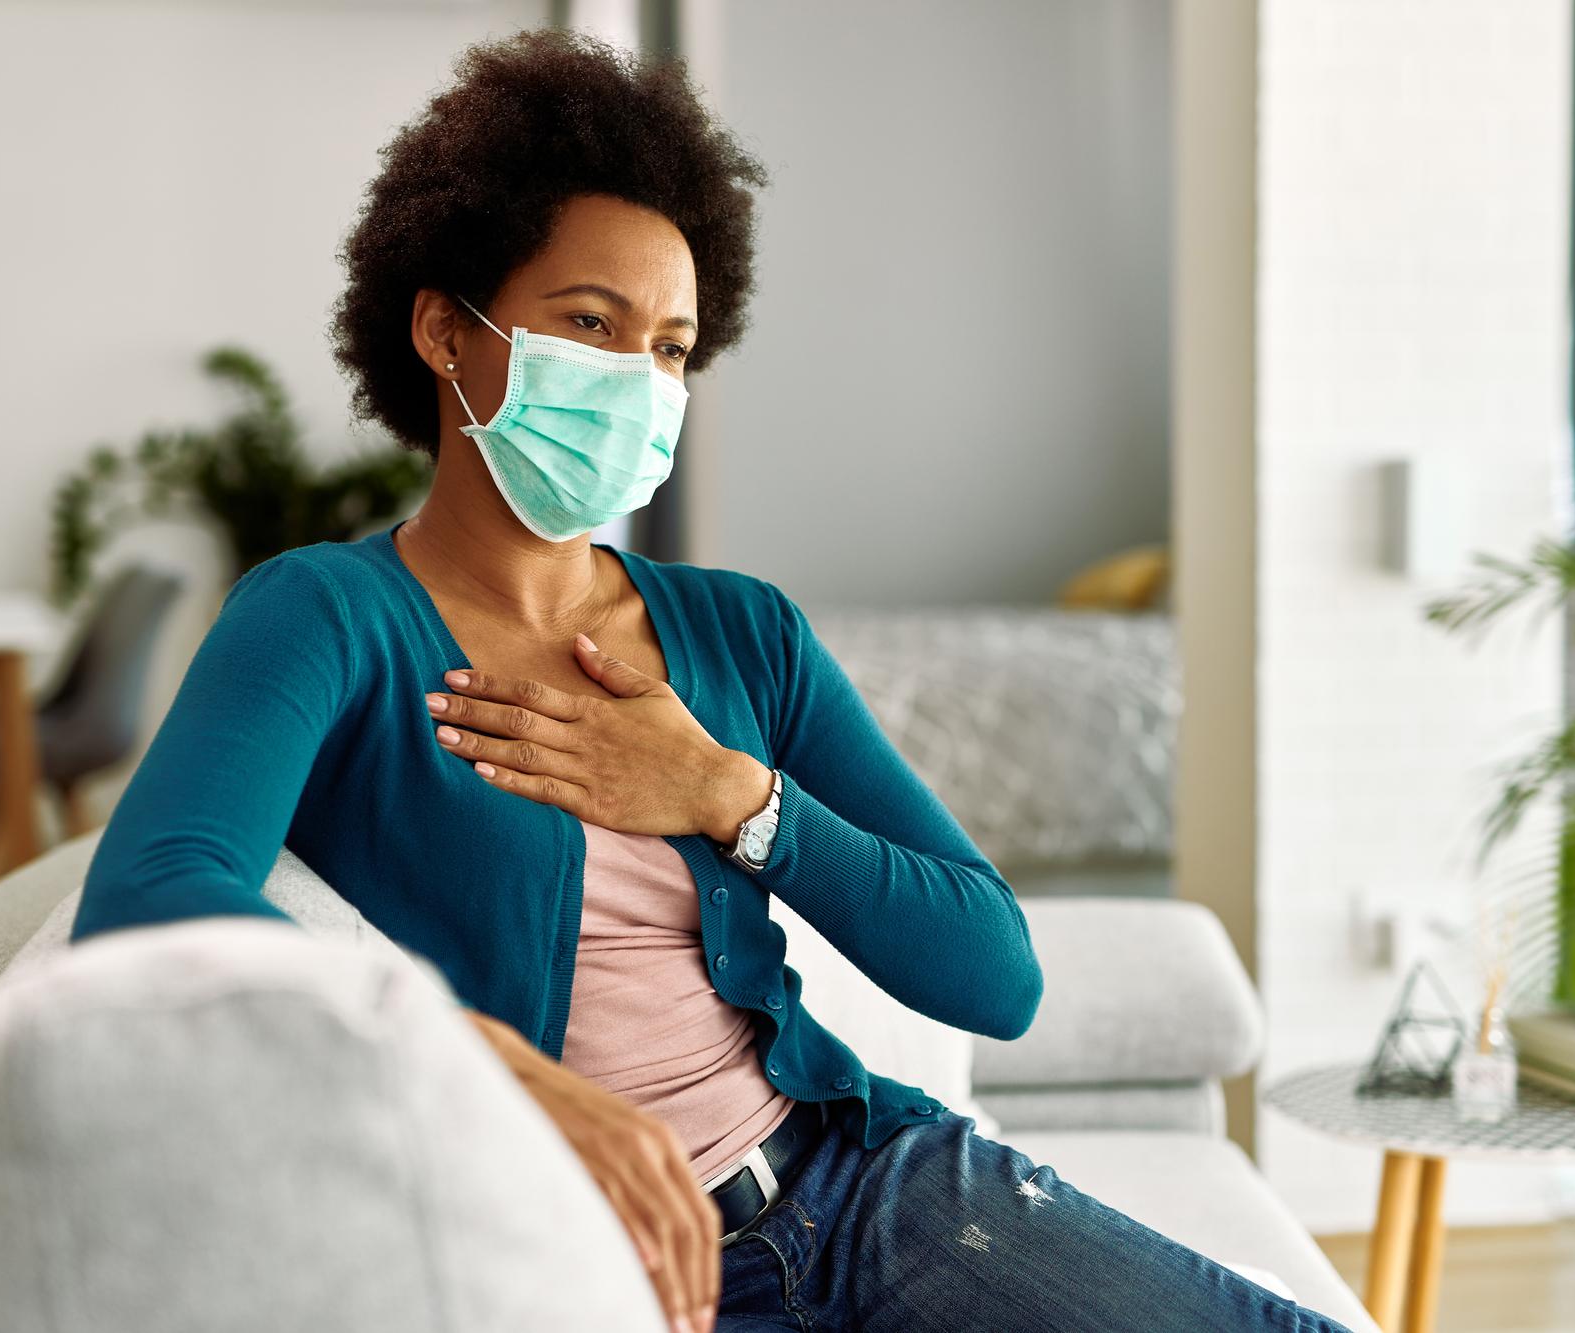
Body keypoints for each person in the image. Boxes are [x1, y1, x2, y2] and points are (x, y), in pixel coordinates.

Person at [71, 27, 1357, 1333]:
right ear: (445, 333)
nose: (637, 383)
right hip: (596, 1266)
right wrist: (494, 1068)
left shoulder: (746, 635)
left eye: (673, 349)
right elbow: (146, 896)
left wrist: (728, 794)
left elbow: (998, 976)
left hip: (869, 1194)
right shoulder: (328, 616)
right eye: (591, 324)